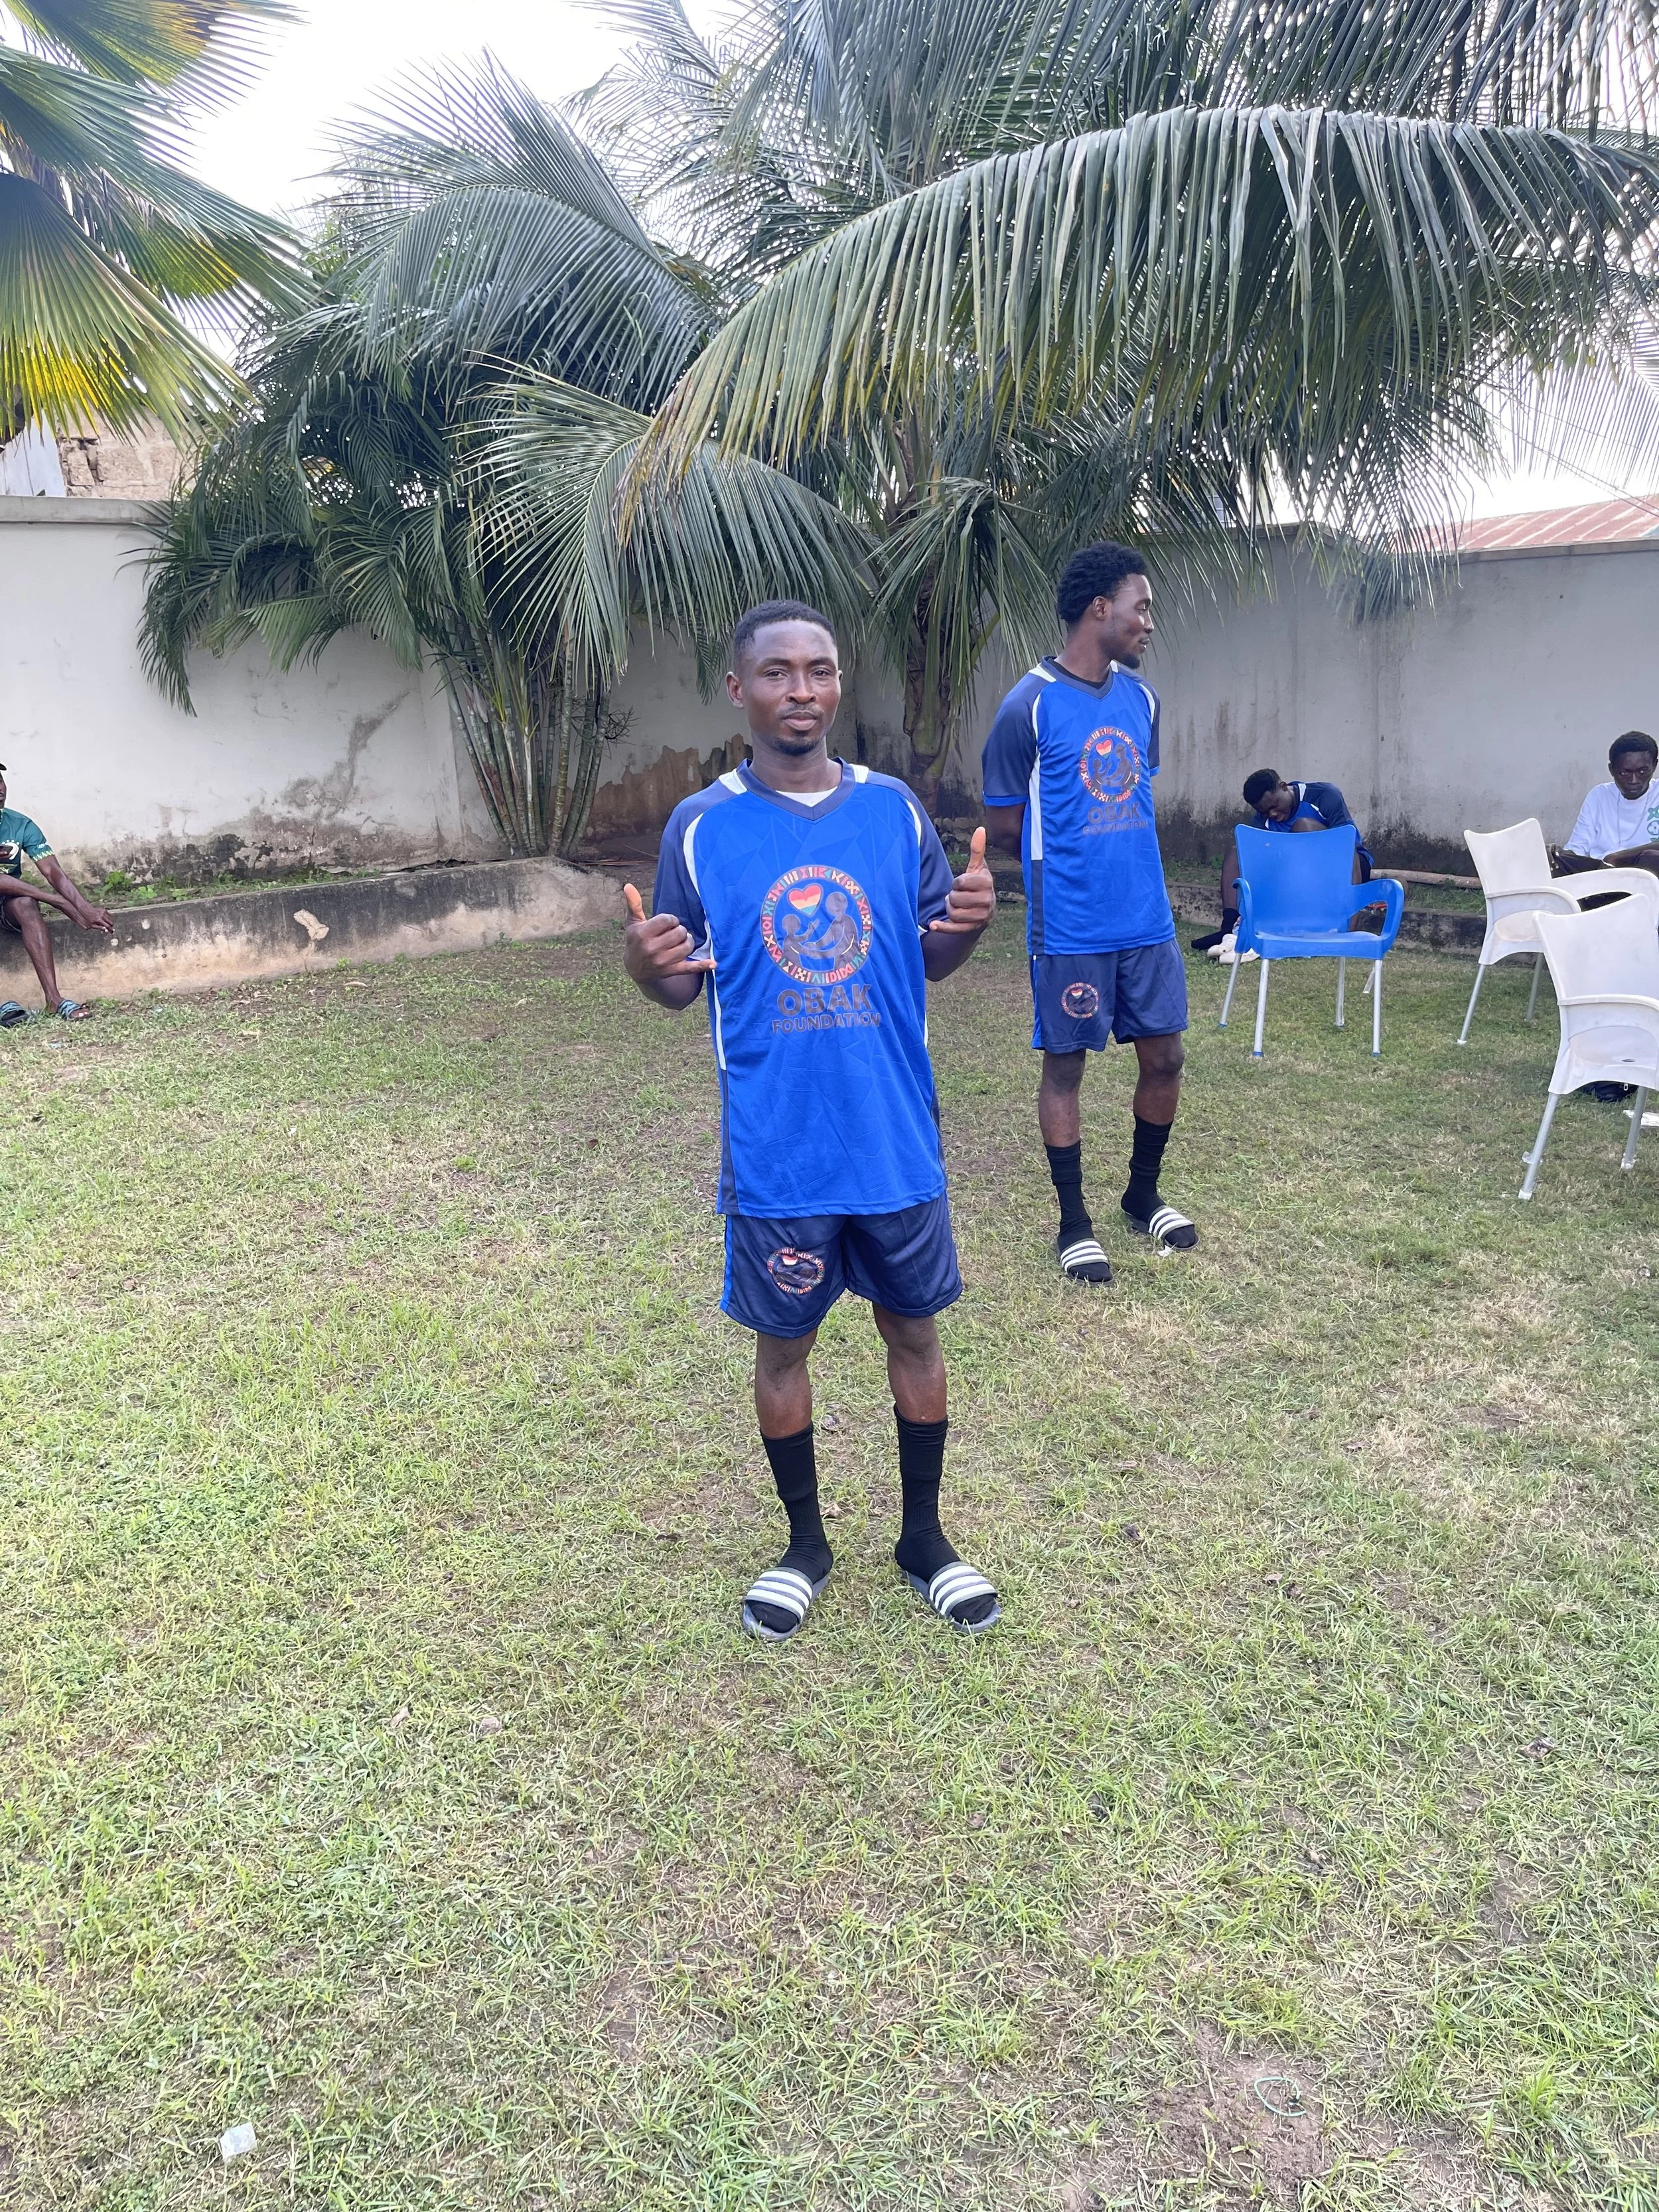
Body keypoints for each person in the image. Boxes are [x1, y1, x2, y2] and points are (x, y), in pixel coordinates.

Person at [622, 600, 1000, 1647]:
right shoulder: (700, 826)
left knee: (913, 1335)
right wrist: (641, 967)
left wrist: (967, 927)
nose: (803, 690)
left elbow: (929, 952)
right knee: (782, 1352)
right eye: (779, 672)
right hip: (778, 1155)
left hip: (895, 1143)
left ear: (840, 685)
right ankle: (804, 1545)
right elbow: (675, 977)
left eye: (822, 670)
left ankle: (923, 1537)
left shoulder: (894, 812)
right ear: (738, 690)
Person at [982, 541, 1194, 1287]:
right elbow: (1007, 826)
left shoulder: (1143, 700)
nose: (1148, 623)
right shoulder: (1027, 706)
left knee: (1166, 1057)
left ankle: (1143, 1194)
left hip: (1147, 920)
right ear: (1099, 608)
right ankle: (1074, 1224)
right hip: (1070, 925)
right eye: (1141, 607)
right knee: (1065, 1067)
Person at [1192, 770, 1375, 951]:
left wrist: (1351, 919)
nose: (1272, 814)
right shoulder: (1261, 822)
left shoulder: (1325, 796)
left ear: (1284, 787)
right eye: (1264, 812)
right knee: (1237, 853)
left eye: (1275, 806)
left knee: (1303, 827)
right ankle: (1229, 933)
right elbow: (1265, 868)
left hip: (1345, 869)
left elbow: (1347, 849)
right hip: (1296, 880)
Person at [0, 763, 113, 1023]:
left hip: (4, 906)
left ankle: (54, 1000)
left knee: (26, 904)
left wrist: (84, 907)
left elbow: (52, 872)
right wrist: (58, 901)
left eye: (0, 781)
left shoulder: (20, 825)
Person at [1550, 732, 1659, 877]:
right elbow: (1578, 848)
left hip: (1643, 871)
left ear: (1655, 765)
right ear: (1612, 770)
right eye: (1625, 773)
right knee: (1550, 860)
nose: (1634, 780)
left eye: (1642, 771)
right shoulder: (1599, 795)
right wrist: (1556, 853)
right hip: (1601, 869)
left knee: (1652, 857)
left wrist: (1616, 857)